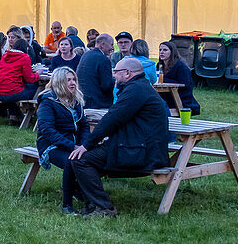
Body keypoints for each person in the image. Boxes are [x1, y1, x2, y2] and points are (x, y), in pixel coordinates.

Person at [68, 58, 170, 216]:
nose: (113, 75)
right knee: (83, 158)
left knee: (80, 160)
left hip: (141, 152)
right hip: (137, 146)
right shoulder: (139, 87)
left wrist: (87, 144)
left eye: (116, 72)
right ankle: (90, 201)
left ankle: (102, 207)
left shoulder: (136, 90)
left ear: (128, 73)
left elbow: (112, 118)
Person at [35, 68, 87, 214]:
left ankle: (84, 192)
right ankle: (67, 205)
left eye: (74, 80)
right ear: (59, 82)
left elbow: (84, 126)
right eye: (68, 80)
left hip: (73, 144)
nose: (72, 83)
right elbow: (47, 130)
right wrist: (72, 146)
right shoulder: (48, 101)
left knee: (93, 157)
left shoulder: (75, 99)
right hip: (51, 145)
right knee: (71, 161)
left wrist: (83, 145)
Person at [0, 38, 41, 124]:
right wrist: (38, 74)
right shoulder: (24, 58)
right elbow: (29, 78)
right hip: (13, 92)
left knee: (12, 94)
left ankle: (14, 117)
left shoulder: (5, 56)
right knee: (38, 90)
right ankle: (31, 117)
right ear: (26, 48)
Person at [158, 40, 200, 115]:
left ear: (172, 52)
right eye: (160, 50)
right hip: (164, 93)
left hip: (180, 96)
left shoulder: (180, 66)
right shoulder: (160, 65)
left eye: (165, 50)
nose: (161, 52)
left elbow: (185, 84)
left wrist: (164, 80)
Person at [76, 33, 115, 109]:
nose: (112, 48)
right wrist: (117, 80)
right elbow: (106, 85)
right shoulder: (103, 59)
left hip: (83, 100)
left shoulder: (86, 55)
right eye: (111, 44)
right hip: (98, 103)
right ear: (102, 45)